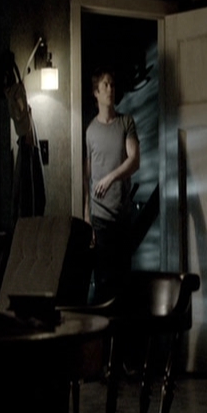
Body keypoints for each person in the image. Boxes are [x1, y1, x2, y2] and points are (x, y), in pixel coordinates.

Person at [84, 67, 140, 305]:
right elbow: (87, 177)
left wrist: (110, 178)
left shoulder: (125, 122)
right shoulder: (90, 131)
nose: (110, 89)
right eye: (105, 85)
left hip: (122, 216)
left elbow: (134, 160)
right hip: (100, 218)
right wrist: (87, 216)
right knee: (103, 283)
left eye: (112, 85)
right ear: (96, 93)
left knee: (123, 283)